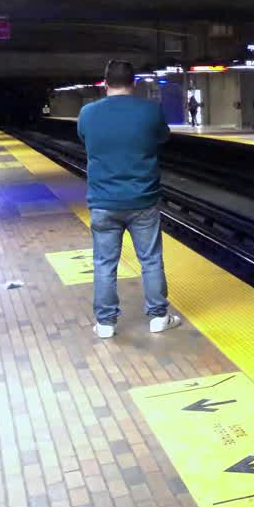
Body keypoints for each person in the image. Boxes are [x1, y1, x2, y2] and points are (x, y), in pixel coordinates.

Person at [78, 60, 180, 339]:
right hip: (142, 200)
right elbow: (163, 137)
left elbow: (84, 138)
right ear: (134, 83)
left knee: (104, 263)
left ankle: (106, 323)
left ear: (105, 82)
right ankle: (159, 317)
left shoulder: (87, 113)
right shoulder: (150, 110)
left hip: (103, 201)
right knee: (150, 260)